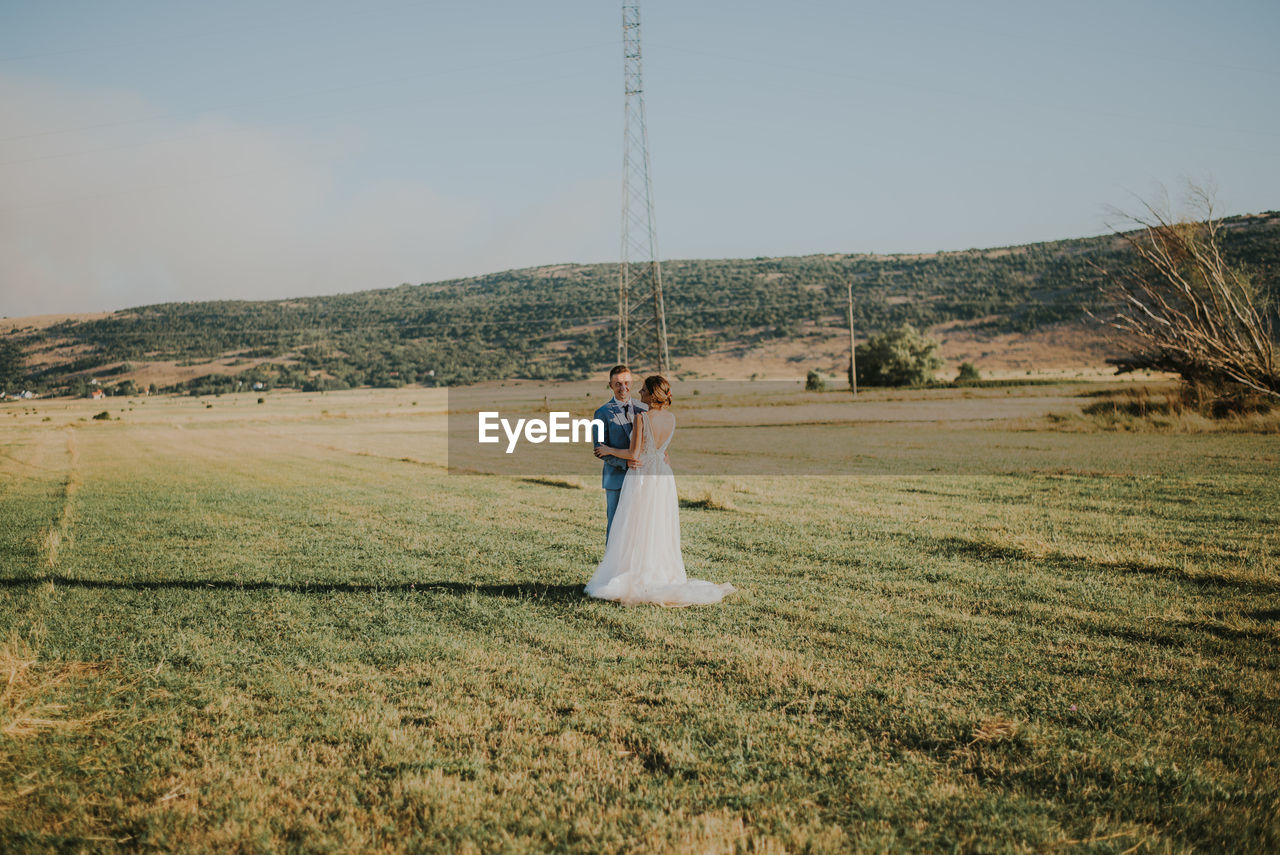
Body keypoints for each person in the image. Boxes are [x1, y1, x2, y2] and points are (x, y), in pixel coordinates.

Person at [586, 374, 736, 607]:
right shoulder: (672, 418)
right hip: (663, 476)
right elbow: (661, 449)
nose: (640, 393)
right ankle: (660, 574)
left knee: (636, 524)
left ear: (652, 395)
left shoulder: (642, 418)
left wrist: (608, 449)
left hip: (643, 476)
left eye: (643, 390)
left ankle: (638, 574)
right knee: (657, 524)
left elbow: (634, 455)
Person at [593, 364, 646, 542]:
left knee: (639, 525)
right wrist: (625, 463)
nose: (623, 388)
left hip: (641, 477)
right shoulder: (601, 413)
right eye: (618, 384)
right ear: (611, 386)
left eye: (626, 383)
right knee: (615, 525)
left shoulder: (644, 409)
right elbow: (600, 450)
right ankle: (611, 566)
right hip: (616, 479)